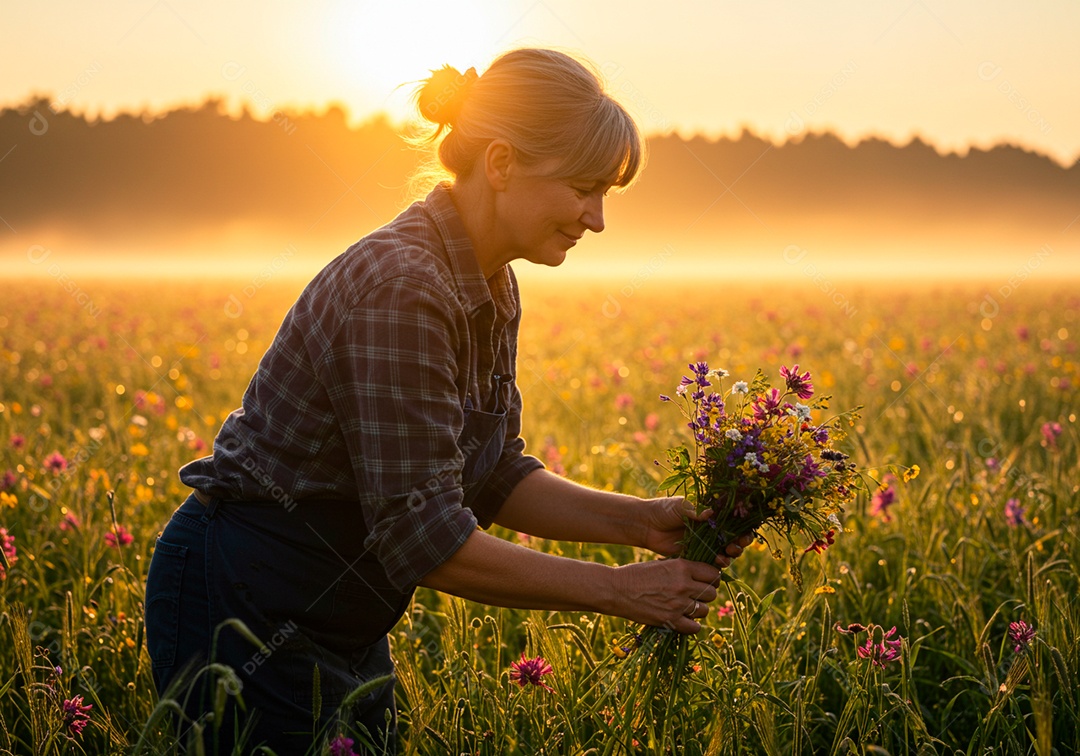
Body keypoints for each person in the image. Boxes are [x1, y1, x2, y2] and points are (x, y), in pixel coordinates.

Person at [143, 47, 753, 754]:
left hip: (336, 610)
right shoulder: (404, 286)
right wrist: (621, 592)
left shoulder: (490, 281)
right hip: (244, 595)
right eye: (584, 187)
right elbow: (424, 539)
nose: (597, 218)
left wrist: (643, 523)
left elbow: (492, 472)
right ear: (500, 164)